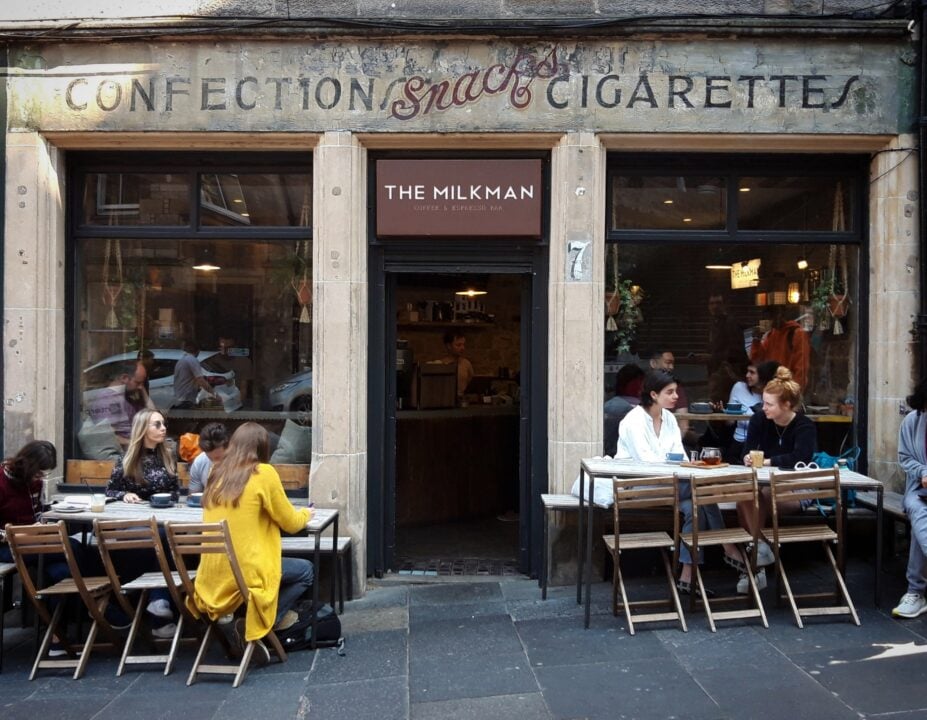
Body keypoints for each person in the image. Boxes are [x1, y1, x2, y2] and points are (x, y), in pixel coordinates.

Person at [615, 370, 746, 595]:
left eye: (675, 391)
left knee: (696, 506)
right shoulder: (633, 421)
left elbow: (681, 457)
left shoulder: (669, 419)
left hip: (672, 487)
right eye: (670, 392)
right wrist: (680, 468)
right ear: (654, 394)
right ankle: (728, 546)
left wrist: (686, 466)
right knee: (703, 490)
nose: (676, 396)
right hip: (640, 487)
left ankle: (688, 574)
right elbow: (647, 464)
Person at [190, 423, 314, 658]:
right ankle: (255, 626)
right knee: (306, 570)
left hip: (211, 576)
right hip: (246, 572)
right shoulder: (263, 473)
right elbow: (290, 522)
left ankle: (245, 623)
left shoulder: (216, 473)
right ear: (263, 447)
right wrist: (307, 514)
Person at [0, 440, 100, 655]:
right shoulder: (2, 481)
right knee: (74, 547)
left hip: (37, 543)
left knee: (61, 572)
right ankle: (98, 603)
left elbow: (36, 512)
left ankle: (57, 639)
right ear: (26, 464)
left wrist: (45, 520)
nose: (40, 479)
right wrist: (21, 533)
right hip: (7, 546)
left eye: (44, 474)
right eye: (38, 474)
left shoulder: (34, 483)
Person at [739, 366, 817, 593]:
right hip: (763, 487)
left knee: (756, 497)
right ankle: (760, 551)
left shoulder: (804, 426)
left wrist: (767, 461)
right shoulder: (759, 420)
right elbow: (747, 449)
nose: (763, 408)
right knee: (746, 497)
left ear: (787, 405)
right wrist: (747, 457)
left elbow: (800, 457)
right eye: (763, 402)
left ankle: (755, 565)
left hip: (796, 489)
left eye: (769, 404)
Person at [105, 408, 181, 636]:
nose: (163, 429)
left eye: (163, 424)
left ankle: (159, 605)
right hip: (135, 526)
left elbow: (176, 491)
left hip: (162, 521)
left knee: (165, 538)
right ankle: (159, 605)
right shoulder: (127, 459)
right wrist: (124, 495)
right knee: (161, 539)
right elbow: (111, 490)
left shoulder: (167, 456)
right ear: (143, 429)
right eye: (157, 425)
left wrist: (169, 498)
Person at [893, 378, 927, 618]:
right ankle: (915, 592)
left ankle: (915, 591)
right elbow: (905, 458)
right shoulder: (912, 421)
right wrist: (923, 472)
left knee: (919, 522)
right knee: (917, 508)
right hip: (920, 489)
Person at [723, 360, 780, 464]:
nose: (747, 375)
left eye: (752, 372)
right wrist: (724, 413)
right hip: (740, 442)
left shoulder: (773, 393)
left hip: (765, 443)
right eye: (747, 371)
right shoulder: (739, 387)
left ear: (763, 375)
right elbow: (729, 422)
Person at [750, 307, 811, 389]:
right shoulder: (771, 334)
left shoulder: (797, 333)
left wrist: (794, 392)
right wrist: (756, 340)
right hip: (773, 389)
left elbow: (801, 369)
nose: (769, 321)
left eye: (770, 317)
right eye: (766, 318)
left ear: (780, 315)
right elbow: (758, 361)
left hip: (786, 389)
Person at [706, 293, 749, 402]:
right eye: (712, 303)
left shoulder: (731, 323)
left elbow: (736, 350)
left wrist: (714, 357)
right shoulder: (713, 323)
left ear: (724, 305)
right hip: (717, 370)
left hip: (729, 371)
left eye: (718, 303)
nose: (715, 306)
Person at [172, 340, 217, 409]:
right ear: (198, 351)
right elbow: (200, 380)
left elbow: (191, 379)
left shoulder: (182, 360)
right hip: (186, 399)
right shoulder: (192, 360)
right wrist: (214, 394)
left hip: (180, 397)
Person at [188, 422, 230, 493]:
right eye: (210, 458)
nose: (215, 463)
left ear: (229, 448)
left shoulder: (240, 463)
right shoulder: (199, 462)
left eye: (218, 458)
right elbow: (194, 495)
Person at [215, 337, 253, 405]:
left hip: (236, 401)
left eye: (228, 348)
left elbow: (243, 388)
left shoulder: (244, 362)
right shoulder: (211, 361)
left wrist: (235, 404)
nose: (225, 351)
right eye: (222, 347)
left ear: (235, 347)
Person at [439, 330, 474, 397]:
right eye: (458, 345)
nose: (462, 348)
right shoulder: (442, 364)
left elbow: (471, 384)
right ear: (449, 346)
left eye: (463, 345)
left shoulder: (466, 364)